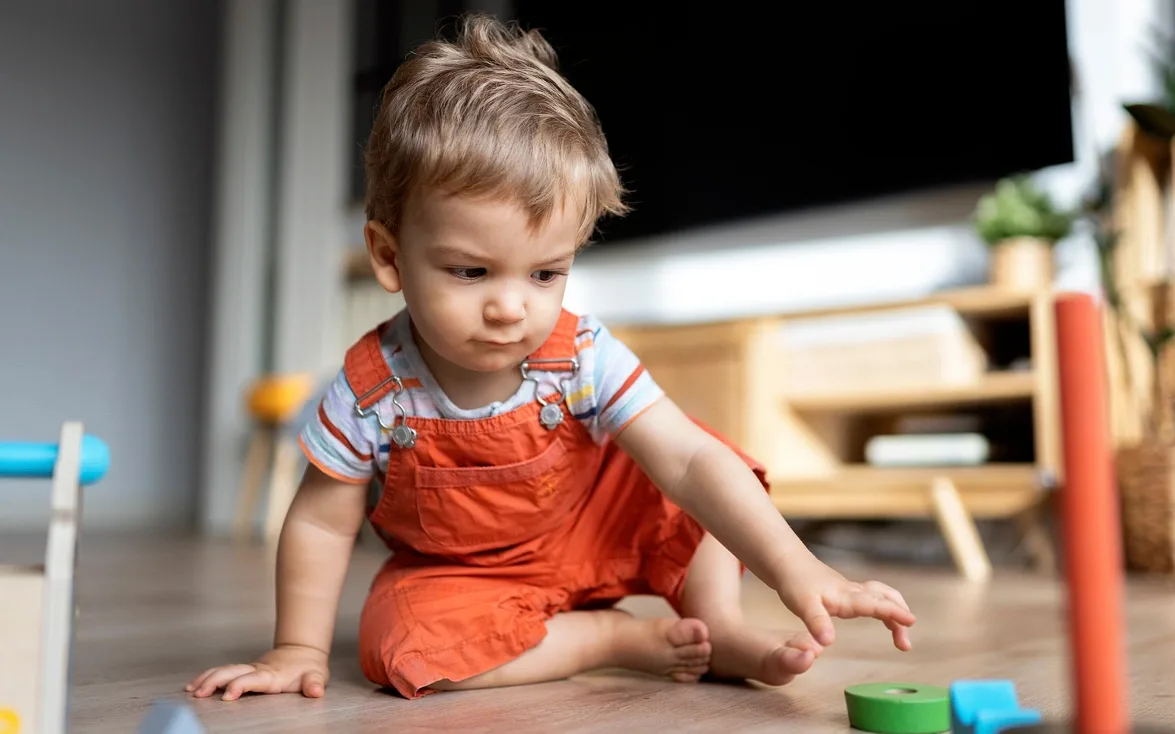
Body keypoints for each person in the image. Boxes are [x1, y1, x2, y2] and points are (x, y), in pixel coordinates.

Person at [185, 14, 914, 703]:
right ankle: (604, 639)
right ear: (389, 256)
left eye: (545, 274)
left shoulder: (582, 354)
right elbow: (319, 521)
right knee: (398, 649)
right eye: (470, 272)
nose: (512, 307)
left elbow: (690, 464)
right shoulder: (372, 389)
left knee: (697, 462)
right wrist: (298, 652)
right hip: (464, 577)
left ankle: (715, 624)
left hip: (588, 533)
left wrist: (801, 571)